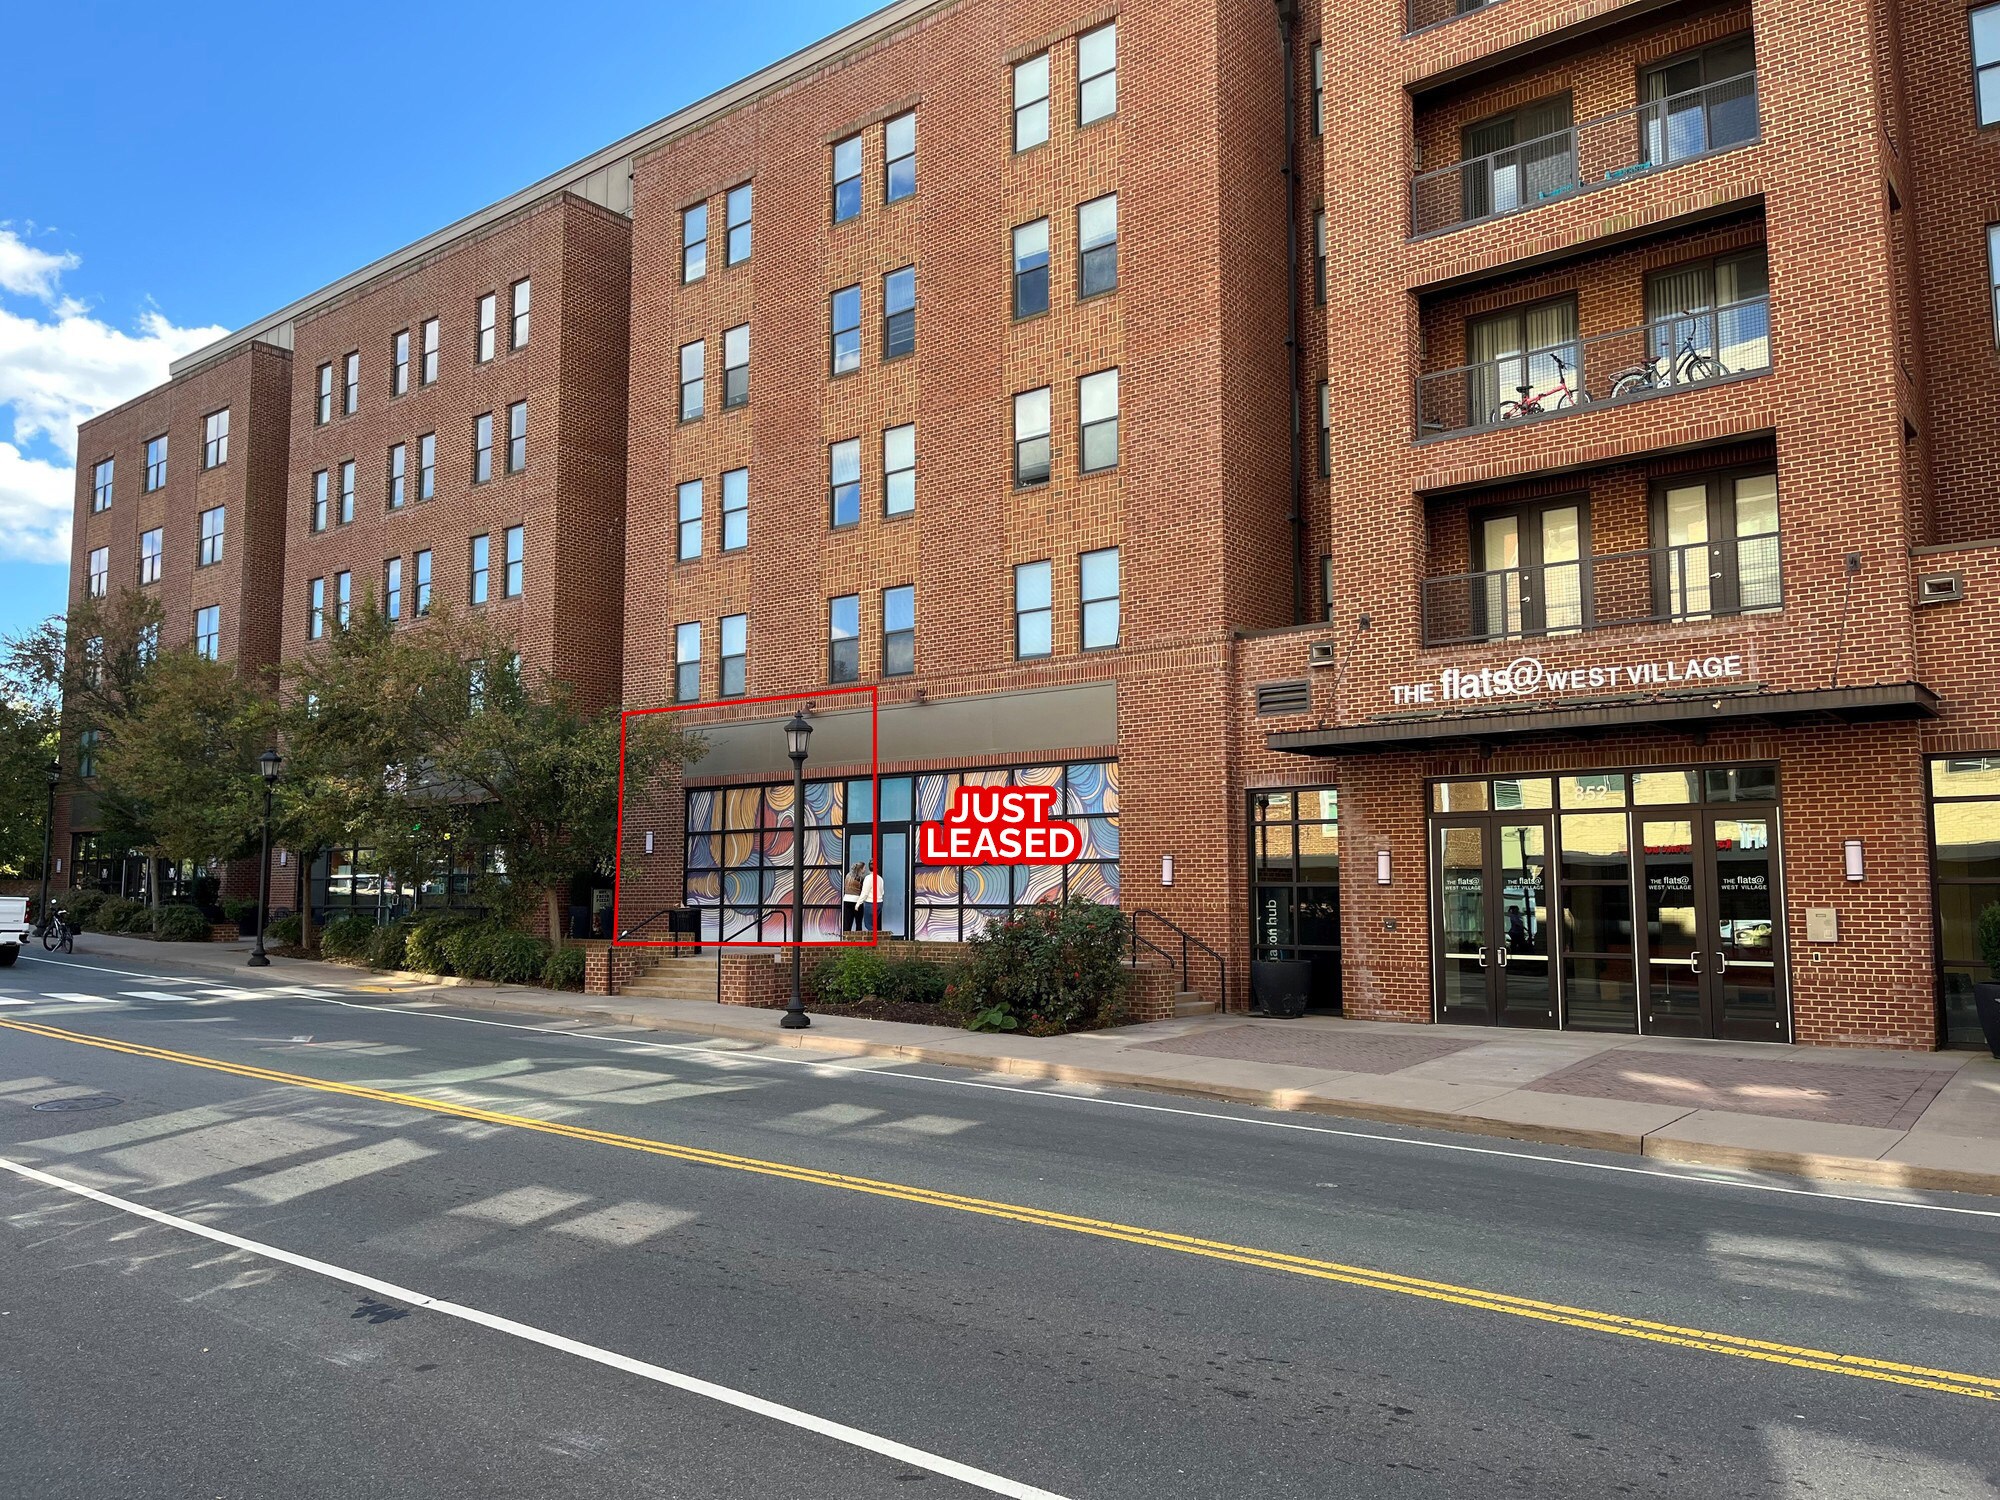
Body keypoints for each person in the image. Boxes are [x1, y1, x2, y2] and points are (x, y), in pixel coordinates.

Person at [858, 861, 885, 934]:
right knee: (873, 923)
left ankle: (874, 938)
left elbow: (865, 893)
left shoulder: (868, 878)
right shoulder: (880, 879)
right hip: (879, 903)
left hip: (870, 903)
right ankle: (875, 937)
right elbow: (882, 892)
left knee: (868, 924)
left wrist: (858, 903)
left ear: (869, 868)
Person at [841, 863, 866, 932]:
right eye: (864, 868)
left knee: (848, 923)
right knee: (858, 923)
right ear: (860, 869)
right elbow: (863, 890)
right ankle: (858, 938)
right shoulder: (860, 878)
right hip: (856, 901)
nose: (865, 870)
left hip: (847, 900)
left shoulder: (848, 876)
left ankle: (846, 938)